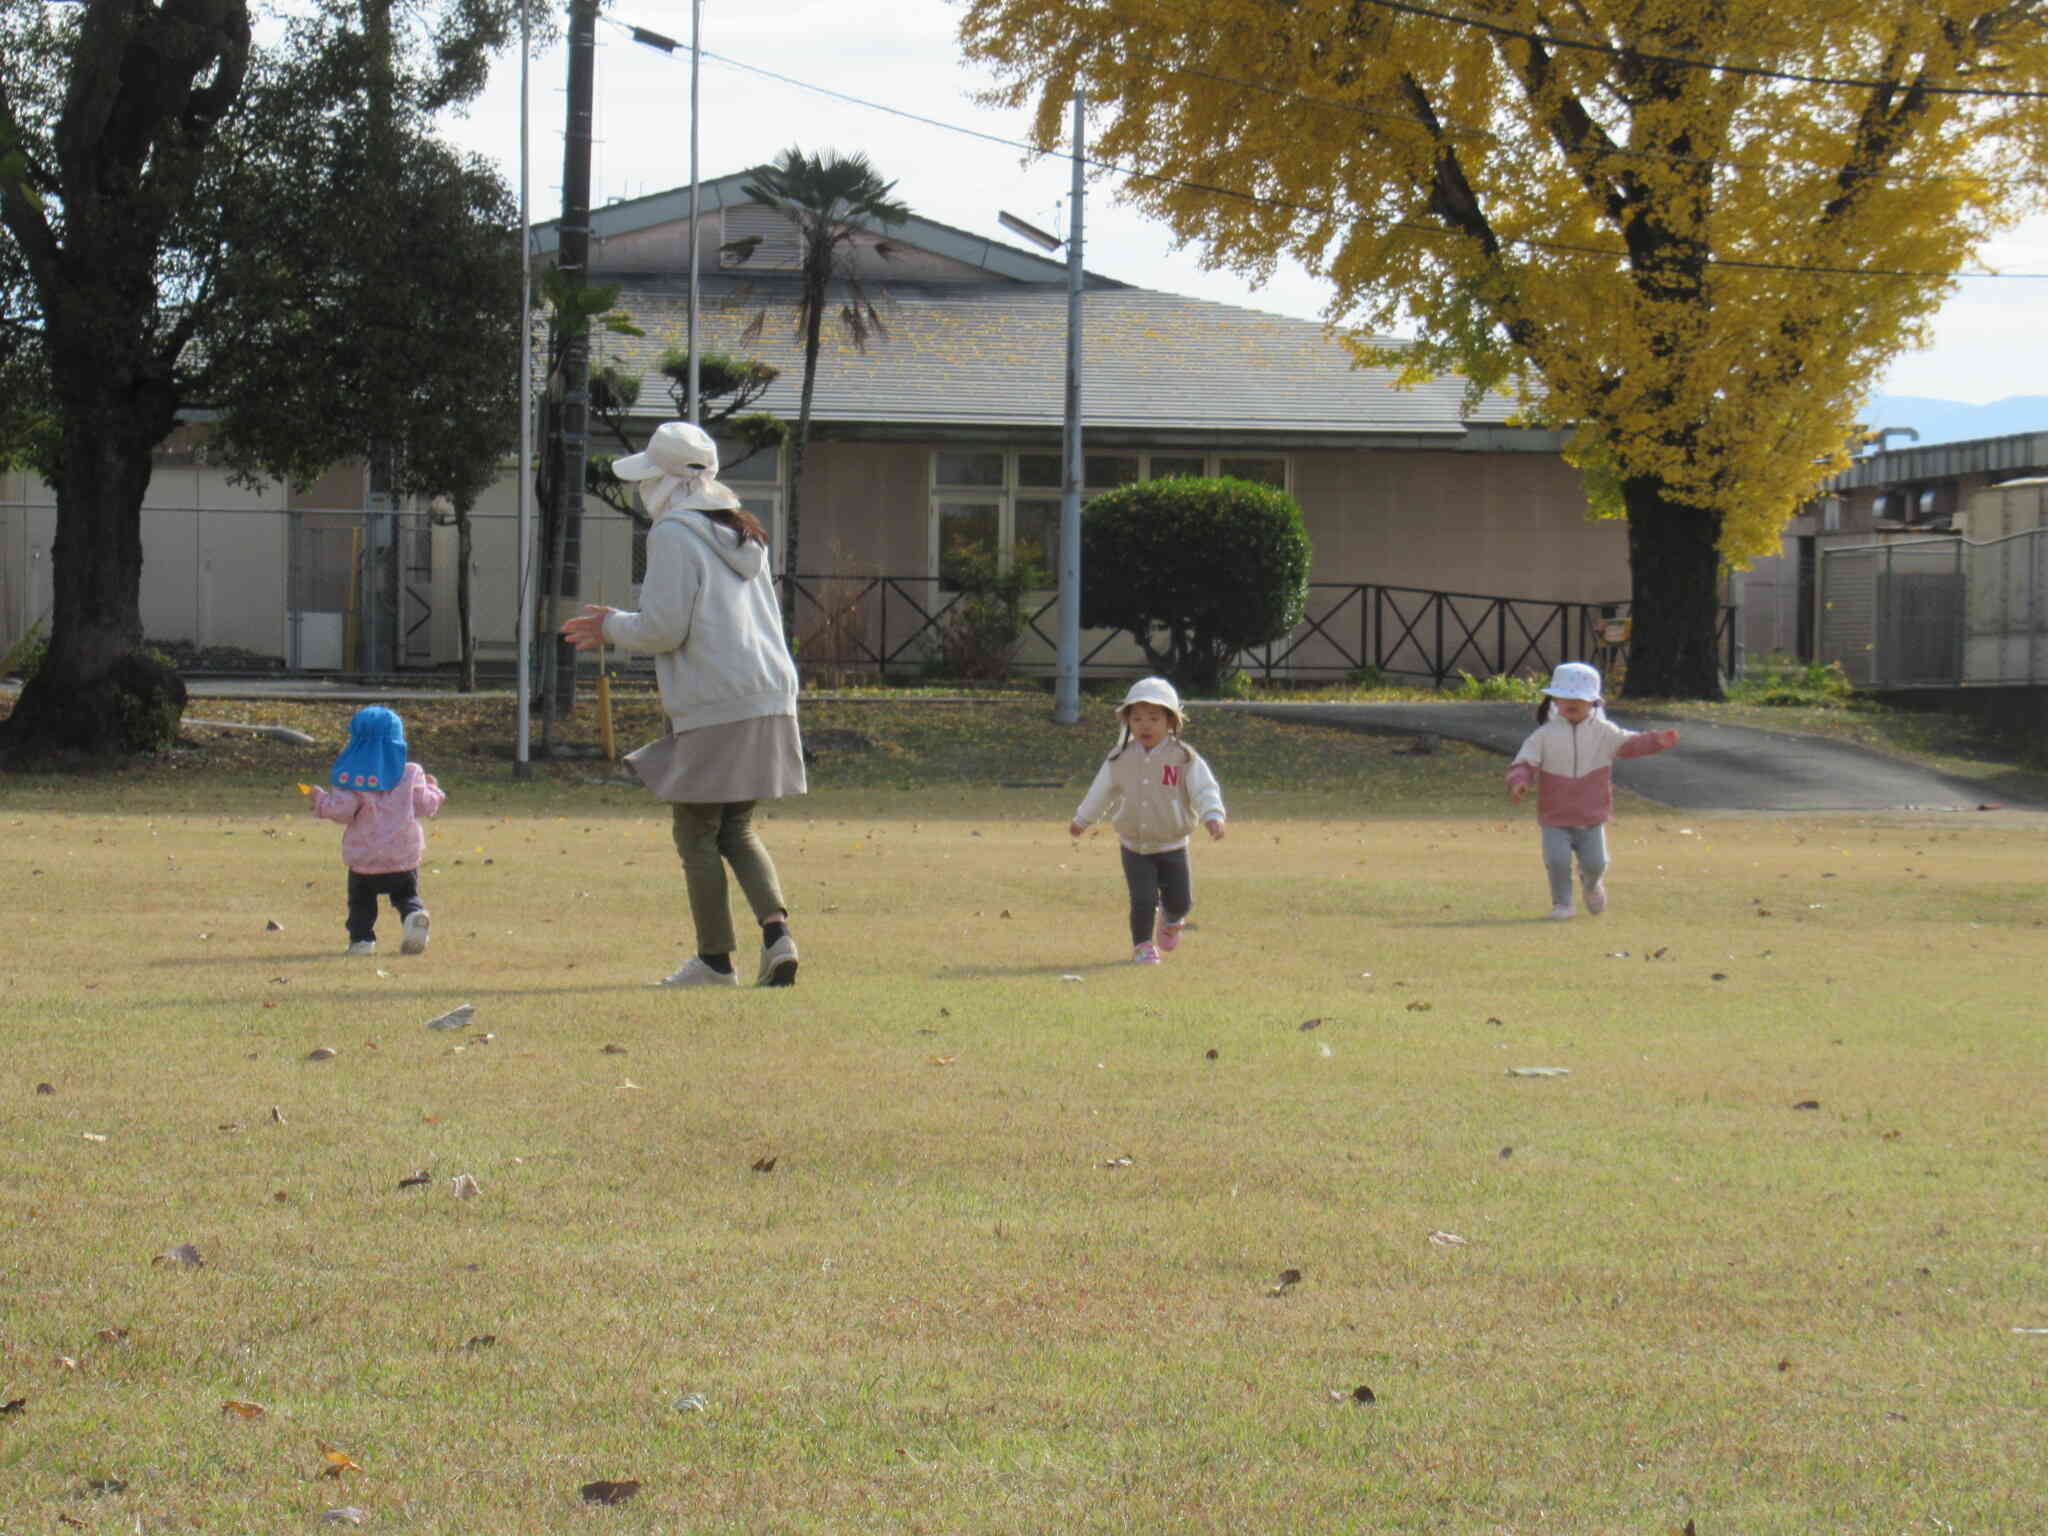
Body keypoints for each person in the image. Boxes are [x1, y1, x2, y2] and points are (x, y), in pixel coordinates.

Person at [560, 420, 805, 988]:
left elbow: (666, 628)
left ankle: (716, 961)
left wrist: (611, 625)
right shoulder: (742, 531)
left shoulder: (673, 533)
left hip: (717, 698)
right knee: (735, 827)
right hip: (767, 692)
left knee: (695, 829)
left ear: (665, 482)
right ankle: (777, 935)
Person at [1069, 677, 1227, 964]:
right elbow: (1101, 790)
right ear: (1127, 721)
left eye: (1154, 718)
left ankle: (1170, 919)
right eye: (1137, 718)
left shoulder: (1184, 757)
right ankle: (1142, 945)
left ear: (1170, 721)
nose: (1145, 725)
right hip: (1134, 846)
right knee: (1142, 899)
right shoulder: (1119, 758)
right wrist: (1083, 818)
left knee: (1181, 901)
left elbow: (1204, 789)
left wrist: (1213, 816)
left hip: (1172, 844)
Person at [1505, 661, 1678, 920]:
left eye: (1580, 699)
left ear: (1593, 702)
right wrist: (1519, 781)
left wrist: (1656, 741)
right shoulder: (1544, 735)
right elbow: (1524, 762)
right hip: (1555, 815)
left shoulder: (1603, 732)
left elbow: (1629, 743)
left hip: (1591, 814)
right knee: (1557, 861)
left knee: (1597, 863)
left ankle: (1591, 884)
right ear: (1555, 699)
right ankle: (1562, 904)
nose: (1572, 703)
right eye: (1565, 697)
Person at [307, 705, 444, 954]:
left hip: (364, 856)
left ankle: (362, 940)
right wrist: (434, 789)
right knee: (406, 895)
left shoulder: (350, 779)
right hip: (402, 855)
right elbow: (425, 806)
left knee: (361, 902)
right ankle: (414, 916)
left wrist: (320, 800)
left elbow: (342, 811)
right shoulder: (411, 773)